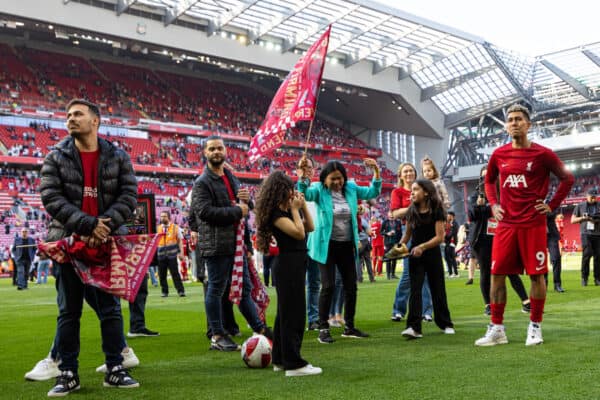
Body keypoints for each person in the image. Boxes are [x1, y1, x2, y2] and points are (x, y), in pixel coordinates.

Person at [39, 99, 139, 395]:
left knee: (110, 310)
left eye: (78, 114)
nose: (71, 119)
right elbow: (51, 197)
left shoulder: (118, 156)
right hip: (71, 243)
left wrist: (103, 226)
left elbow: (129, 196)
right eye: (68, 115)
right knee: (69, 311)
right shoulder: (56, 156)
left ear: (95, 120)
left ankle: (115, 368)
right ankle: (67, 372)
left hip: (106, 242)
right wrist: (87, 225)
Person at [474, 104, 574, 347]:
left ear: (528, 125)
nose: (514, 123)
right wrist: (494, 204)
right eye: (510, 120)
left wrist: (551, 205)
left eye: (519, 119)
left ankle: (535, 327)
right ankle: (497, 329)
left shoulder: (543, 154)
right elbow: (488, 181)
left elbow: (567, 178)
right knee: (496, 275)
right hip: (506, 225)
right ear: (507, 126)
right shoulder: (499, 154)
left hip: (533, 224)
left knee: (536, 275)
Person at [189, 135, 271, 352]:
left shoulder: (230, 177)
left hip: (236, 246)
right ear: (205, 154)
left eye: (220, 148)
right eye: (212, 149)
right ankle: (216, 334)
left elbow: (245, 208)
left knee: (244, 289)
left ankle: (260, 328)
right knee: (216, 289)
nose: (217, 152)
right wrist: (238, 210)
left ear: (226, 152)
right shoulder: (202, 183)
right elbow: (204, 212)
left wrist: (247, 200)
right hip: (216, 245)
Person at [297, 157, 381, 344]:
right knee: (328, 286)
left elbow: (373, 191)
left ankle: (349, 327)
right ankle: (323, 328)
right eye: (333, 179)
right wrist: (302, 177)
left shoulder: (350, 188)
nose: (337, 182)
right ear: (325, 179)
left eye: (340, 178)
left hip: (346, 245)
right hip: (325, 245)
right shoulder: (319, 190)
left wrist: (376, 171)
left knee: (351, 286)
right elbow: (304, 194)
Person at [255, 170, 321, 377]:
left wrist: (301, 209)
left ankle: (280, 359)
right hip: (287, 264)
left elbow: (310, 227)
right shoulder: (276, 214)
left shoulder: (288, 209)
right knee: (294, 314)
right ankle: (294, 364)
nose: (292, 193)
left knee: (285, 313)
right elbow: (298, 233)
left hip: (295, 263)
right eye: (288, 190)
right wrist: (294, 210)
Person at [468, 165, 532, 316]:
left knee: (510, 270)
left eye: (490, 176)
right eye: (483, 177)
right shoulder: (475, 196)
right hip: (482, 240)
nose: (486, 179)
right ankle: (488, 305)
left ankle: (525, 302)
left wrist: (487, 208)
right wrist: (482, 206)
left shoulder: (505, 193)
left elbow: (508, 209)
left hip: (503, 237)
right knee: (485, 272)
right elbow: (472, 215)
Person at [398, 179, 455, 338]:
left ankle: (445, 323)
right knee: (415, 291)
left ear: (426, 192)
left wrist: (422, 247)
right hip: (415, 256)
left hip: (432, 254)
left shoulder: (437, 210)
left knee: (438, 289)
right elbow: (407, 234)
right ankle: (414, 327)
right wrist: (399, 246)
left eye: (416, 190)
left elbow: (439, 238)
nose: (412, 193)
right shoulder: (411, 210)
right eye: (412, 190)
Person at [390, 163, 433, 322]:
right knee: (408, 275)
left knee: (426, 275)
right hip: (408, 234)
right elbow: (395, 214)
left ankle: (426, 311)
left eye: (411, 171)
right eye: (405, 171)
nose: (408, 173)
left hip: (427, 233)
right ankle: (398, 310)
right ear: (400, 175)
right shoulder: (397, 192)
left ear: (415, 174)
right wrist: (414, 205)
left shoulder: (423, 188)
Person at [294, 157, 320, 331]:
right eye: (304, 167)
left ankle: (313, 318)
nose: (308, 170)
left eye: (310, 167)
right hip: (300, 239)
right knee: (297, 282)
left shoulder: (318, 188)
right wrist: (301, 179)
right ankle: (298, 318)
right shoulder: (295, 188)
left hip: (316, 239)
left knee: (314, 282)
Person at [571, 189, 600, 286]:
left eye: (595, 196)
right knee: (587, 254)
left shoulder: (599, 205)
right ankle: (584, 277)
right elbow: (572, 220)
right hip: (585, 233)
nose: (593, 198)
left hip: (598, 233)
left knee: (598, 257)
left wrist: (595, 220)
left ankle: (597, 278)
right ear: (587, 196)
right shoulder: (580, 206)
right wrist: (584, 218)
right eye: (591, 196)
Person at [156, 210, 186, 297]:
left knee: (175, 273)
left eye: (164, 216)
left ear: (169, 217)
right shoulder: (158, 228)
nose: (162, 218)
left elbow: (180, 241)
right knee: (162, 275)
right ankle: (164, 292)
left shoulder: (175, 227)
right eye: (161, 216)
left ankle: (181, 291)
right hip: (161, 255)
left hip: (172, 255)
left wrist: (181, 253)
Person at [546, 210, 564, 292]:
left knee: (556, 258)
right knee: (540, 261)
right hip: (538, 234)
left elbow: (554, 212)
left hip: (551, 235)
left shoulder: (550, 201)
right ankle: (543, 284)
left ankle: (557, 284)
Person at [382, 211, 402, 280]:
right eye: (390, 215)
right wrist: (387, 233)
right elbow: (381, 232)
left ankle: (393, 274)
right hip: (388, 242)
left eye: (392, 215)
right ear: (388, 215)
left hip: (396, 242)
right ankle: (388, 275)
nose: (391, 217)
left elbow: (400, 233)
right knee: (388, 259)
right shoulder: (385, 222)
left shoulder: (398, 222)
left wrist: (400, 242)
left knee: (394, 259)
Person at [443, 212, 459, 278]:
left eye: (448, 215)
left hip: (451, 242)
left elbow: (453, 233)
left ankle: (454, 273)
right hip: (447, 242)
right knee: (448, 258)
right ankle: (452, 273)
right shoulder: (447, 222)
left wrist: (445, 236)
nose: (447, 216)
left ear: (452, 216)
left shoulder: (455, 223)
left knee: (451, 258)